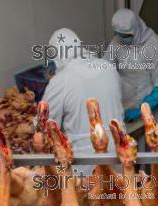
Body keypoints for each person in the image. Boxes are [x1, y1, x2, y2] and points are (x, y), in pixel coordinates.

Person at [42, 28, 123, 175]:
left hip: (85, 163)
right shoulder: (108, 67)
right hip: (118, 155)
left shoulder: (61, 81)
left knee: (93, 197)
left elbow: (46, 125)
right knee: (119, 195)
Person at [106, 8, 158, 123]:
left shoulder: (155, 45)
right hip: (124, 106)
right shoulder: (117, 41)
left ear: (137, 29)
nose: (122, 39)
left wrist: (140, 110)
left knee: (148, 139)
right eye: (118, 34)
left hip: (149, 107)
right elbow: (106, 69)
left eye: (126, 36)